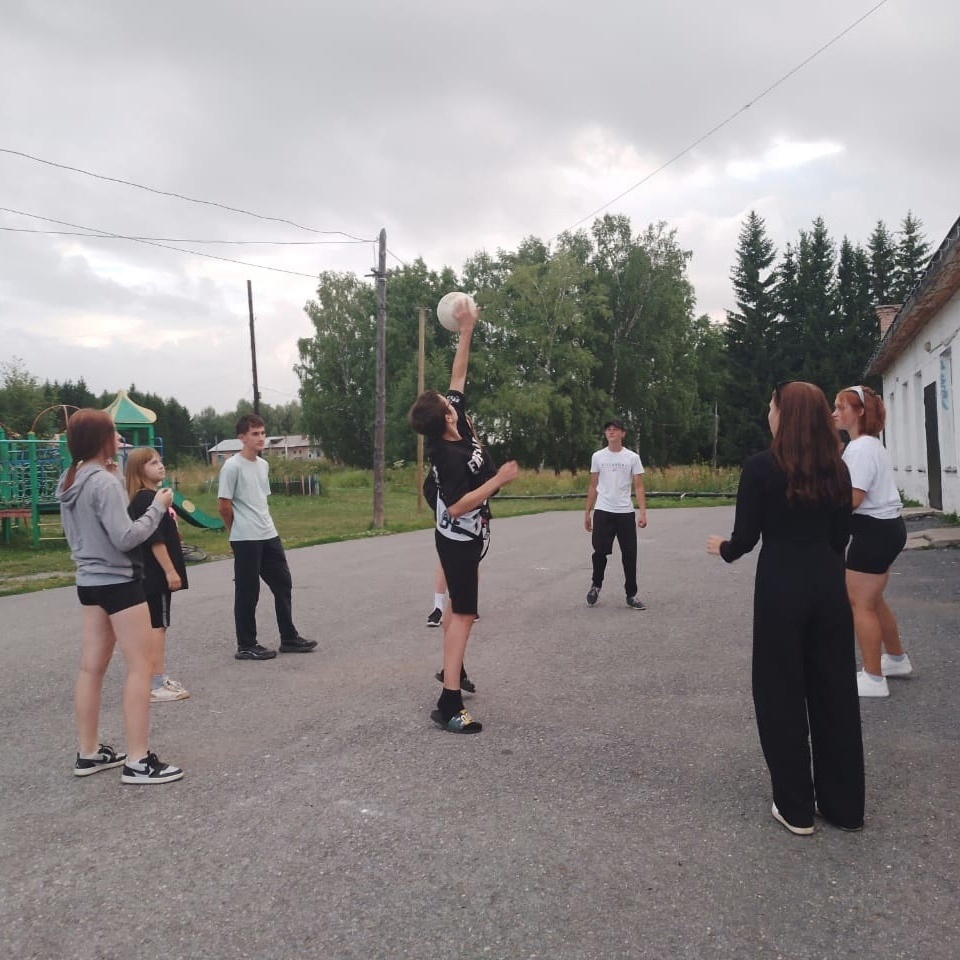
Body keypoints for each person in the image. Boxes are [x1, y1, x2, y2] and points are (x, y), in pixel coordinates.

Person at [706, 381, 864, 835]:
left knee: (780, 692)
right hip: (829, 584)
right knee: (834, 690)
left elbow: (747, 537)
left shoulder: (760, 468)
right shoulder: (838, 469)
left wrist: (724, 549)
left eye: (770, 405)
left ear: (784, 414)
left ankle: (795, 807)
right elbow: (840, 537)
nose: (767, 412)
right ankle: (844, 805)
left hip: (780, 586)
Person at [409, 296, 519, 733]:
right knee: (464, 613)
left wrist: (467, 328)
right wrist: (498, 481)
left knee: (460, 607)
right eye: (446, 401)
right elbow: (456, 505)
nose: (450, 397)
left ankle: (451, 670)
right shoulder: (448, 454)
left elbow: (458, 373)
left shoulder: (455, 420)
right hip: (457, 538)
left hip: (467, 533)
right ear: (446, 418)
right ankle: (449, 702)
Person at [56, 409, 183, 785]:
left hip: (88, 580)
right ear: (103, 439)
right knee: (141, 667)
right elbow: (126, 537)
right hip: (121, 583)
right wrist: (158, 508)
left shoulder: (70, 478)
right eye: (115, 433)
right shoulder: (106, 483)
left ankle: (89, 752)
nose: (120, 439)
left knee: (90, 667)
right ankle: (139, 762)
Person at [217, 413, 317, 660]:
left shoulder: (263, 465)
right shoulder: (231, 466)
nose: (261, 438)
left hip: (268, 533)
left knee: (283, 583)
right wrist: (235, 533)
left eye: (263, 433)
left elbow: (260, 501)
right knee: (248, 592)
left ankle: (289, 638)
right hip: (245, 538)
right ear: (242, 438)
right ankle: (246, 644)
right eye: (255, 434)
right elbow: (223, 506)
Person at [833, 385, 909, 698]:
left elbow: (853, 498)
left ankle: (874, 679)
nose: (835, 412)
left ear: (860, 412)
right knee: (873, 600)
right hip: (886, 529)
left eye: (841, 407)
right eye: (834, 407)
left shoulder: (861, 448)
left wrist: (818, 505)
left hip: (873, 532)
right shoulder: (868, 445)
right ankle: (895, 659)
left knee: (860, 603)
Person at [124, 447, 190, 703]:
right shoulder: (147, 499)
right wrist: (170, 571)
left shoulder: (149, 497)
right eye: (153, 463)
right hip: (156, 574)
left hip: (149, 573)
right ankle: (155, 681)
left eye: (160, 461)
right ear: (140, 470)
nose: (160, 466)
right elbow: (155, 540)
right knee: (158, 626)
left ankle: (154, 678)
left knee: (154, 625)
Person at [584, 418, 648, 609]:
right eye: (608, 429)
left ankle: (631, 594)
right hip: (603, 510)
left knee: (629, 554)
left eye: (615, 429)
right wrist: (587, 512)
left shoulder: (632, 458)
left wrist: (642, 512)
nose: (611, 432)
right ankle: (596, 585)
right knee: (599, 551)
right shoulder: (598, 457)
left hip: (625, 512)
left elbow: (638, 486)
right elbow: (593, 485)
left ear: (623, 433)